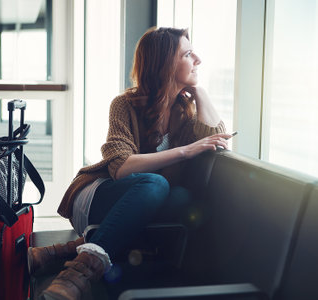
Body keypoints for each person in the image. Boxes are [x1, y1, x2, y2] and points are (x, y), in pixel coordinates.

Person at [28, 27, 232, 300]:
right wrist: (184, 152)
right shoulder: (124, 105)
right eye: (188, 54)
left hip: (141, 205)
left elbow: (214, 139)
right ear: (166, 63)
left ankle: (69, 252)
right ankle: (76, 277)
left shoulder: (185, 112)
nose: (198, 60)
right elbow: (122, 167)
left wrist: (200, 91)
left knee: (182, 198)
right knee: (155, 183)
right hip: (99, 195)